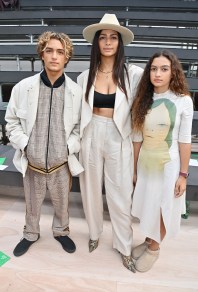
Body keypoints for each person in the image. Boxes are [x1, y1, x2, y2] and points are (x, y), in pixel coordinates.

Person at [5, 31, 83, 257]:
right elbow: (11, 122)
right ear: (42, 53)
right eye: (49, 50)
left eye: (60, 52)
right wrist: (26, 146)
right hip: (33, 163)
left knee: (62, 203)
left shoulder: (76, 92)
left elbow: (79, 129)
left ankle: (61, 231)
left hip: (61, 164)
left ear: (67, 57)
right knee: (32, 203)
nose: (54, 56)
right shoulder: (23, 87)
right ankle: (30, 233)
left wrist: (68, 148)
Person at [77, 13, 143, 272]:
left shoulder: (133, 74)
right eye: (102, 37)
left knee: (120, 195)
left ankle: (124, 246)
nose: (107, 42)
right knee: (90, 189)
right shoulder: (85, 76)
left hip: (120, 137)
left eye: (112, 37)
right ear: (96, 43)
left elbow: (138, 116)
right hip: (91, 134)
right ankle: (94, 233)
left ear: (119, 42)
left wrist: (137, 160)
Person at [131, 49, 193, 272]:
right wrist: (134, 169)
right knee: (149, 206)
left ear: (173, 72)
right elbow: (137, 138)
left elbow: (185, 140)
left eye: (164, 69)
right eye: (154, 69)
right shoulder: (143, 99)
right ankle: (148, 240)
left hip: (169, 166)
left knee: (163, 208)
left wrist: (183, 175)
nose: (158, 73)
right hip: (146, 165)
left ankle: (154, 249)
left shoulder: (183, 101)